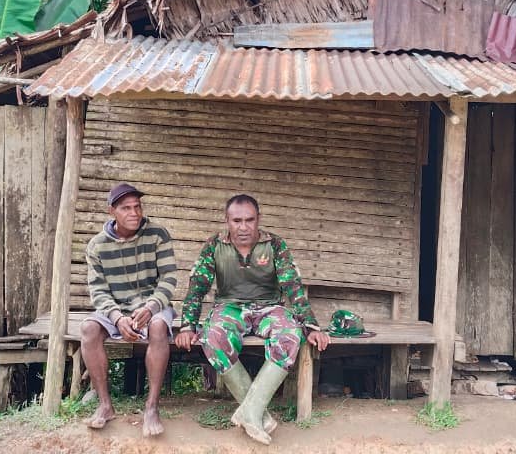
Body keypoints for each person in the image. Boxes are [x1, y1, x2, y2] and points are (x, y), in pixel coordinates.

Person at [174, 194, 330, 444]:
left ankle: (251, 412)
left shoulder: (275, 245)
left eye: (249, 220)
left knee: (290, 335)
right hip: (230, 307)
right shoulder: (215, 245)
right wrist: (187, 326)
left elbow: (292, 286)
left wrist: (311, 326)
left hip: (269, 307)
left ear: (259, 219)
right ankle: (259, 415)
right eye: (237, 221)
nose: (243, 227)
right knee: (212, 337)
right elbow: (197, 287)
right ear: (227, 221)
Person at [80, 183, 179, 437]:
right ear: (112, 211)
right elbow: (98, 291)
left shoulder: (157, 235)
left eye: (137, 207)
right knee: (89, 329)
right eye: (126, 208)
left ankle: (151, 407)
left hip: (152, 305)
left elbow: (168, 278)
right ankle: (105, 405)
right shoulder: (97, 246)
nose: (134, 213)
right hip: (116, 308)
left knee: (159, 326)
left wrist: (152, 306)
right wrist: (116, 318)